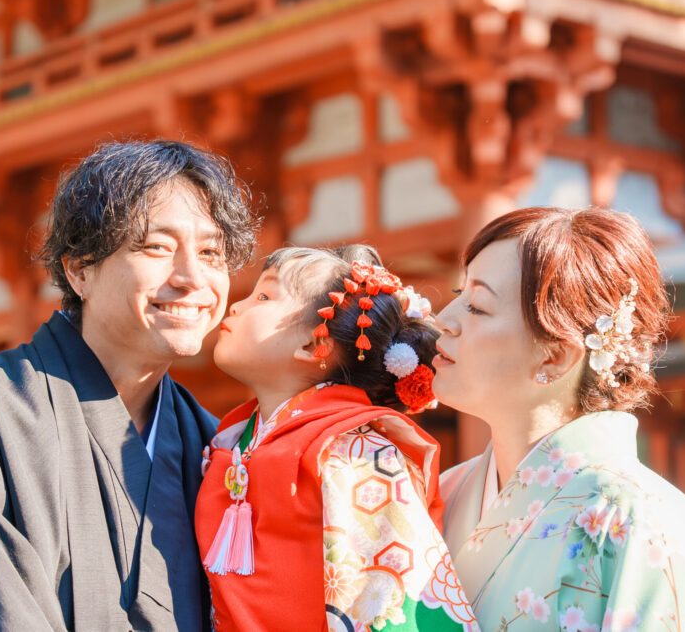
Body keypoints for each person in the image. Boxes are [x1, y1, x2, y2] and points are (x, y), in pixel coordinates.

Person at [0, 140, 258, 631]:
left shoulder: (217, 449)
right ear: (80, 269)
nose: (193, 277)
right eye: (157, 247)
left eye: (211, 252)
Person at [434, 207, 685, 631]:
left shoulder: (640, 518)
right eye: (459, 295)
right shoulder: (443, 492)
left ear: (556, 355)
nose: (444, 320)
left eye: (477, 306)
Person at [194, 244, 479, 632]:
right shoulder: (235, 438)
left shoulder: (354, 451)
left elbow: (385, 605)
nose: (236, 307)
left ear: (313, 345)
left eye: (263, 296)